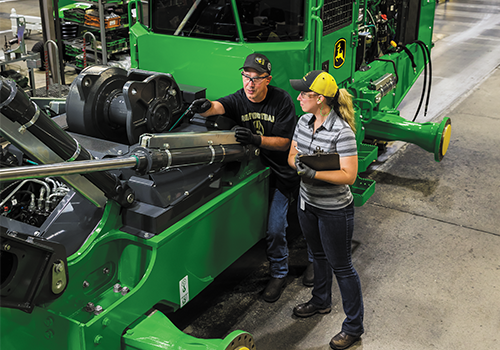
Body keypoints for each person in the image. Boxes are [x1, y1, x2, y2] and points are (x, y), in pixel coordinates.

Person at [188, 53, 300, 303]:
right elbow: (219, 106)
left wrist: (255, 139)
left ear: (267, 80)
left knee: (275, 229)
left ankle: (279, 274)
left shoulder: (281, 101)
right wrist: (205, 107)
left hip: (281, 173)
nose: (250, 84)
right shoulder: (240, 97)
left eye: (256, 79)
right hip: (254, 171)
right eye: (246, 77)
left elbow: (284, 144)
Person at [287, 70, 364, 350]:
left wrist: (313, 174)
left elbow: (349, 176)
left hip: (334, 210)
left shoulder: (342, 132)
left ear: (320, 99)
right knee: (316, 255)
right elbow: (293, 155)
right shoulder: (303, 121)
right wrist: (299, 166)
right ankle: (320, 301)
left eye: (304, 94)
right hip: (307, 204)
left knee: (342, 267)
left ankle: (354, 327)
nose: (299, 98)